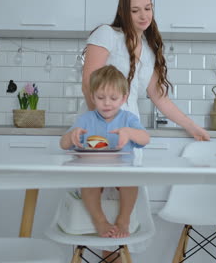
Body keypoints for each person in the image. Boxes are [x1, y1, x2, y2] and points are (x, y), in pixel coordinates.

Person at [82, 0, 209, 141]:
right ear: (123, 13)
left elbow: (159, 97)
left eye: (147, 9)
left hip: (130, 131)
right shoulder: (107, 34)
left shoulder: (148, 51)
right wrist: (100, 125)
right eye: (135, 11)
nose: (143, 16)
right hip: (98, 131)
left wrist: (192, 126)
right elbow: (88, 84)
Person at [60, 65, 150, 241]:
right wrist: (72, 136)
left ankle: (123, 219)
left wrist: (130, 133)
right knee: (88, 184)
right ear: (93, 97)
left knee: (131, 182)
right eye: (101, 97)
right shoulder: (86, 120)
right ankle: (100, 221)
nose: (107, 103)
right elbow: (63, 144)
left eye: (113, 98)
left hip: (122, 171)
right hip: (93, 171)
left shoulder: (128, 119)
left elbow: (145, 139)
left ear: (124, 98)